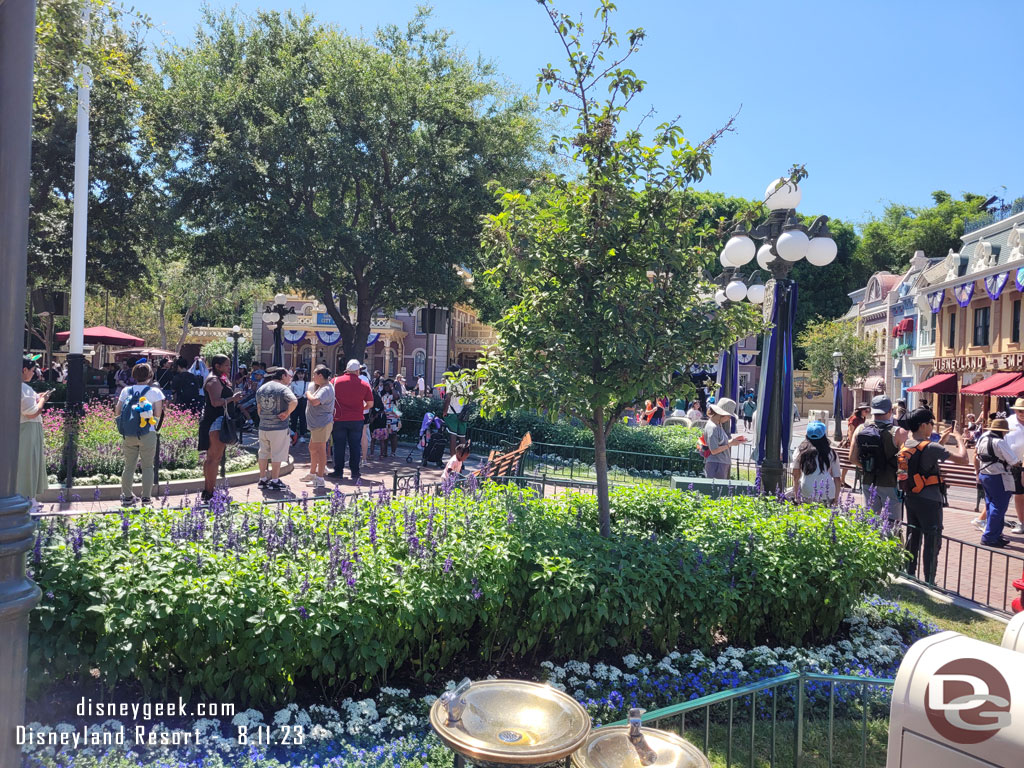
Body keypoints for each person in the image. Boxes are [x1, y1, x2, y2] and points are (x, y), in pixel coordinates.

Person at [898, 408, 969, 582]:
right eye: (931, 423)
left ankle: (909, 574)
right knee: (932, 540)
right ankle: (930, 580)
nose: (932, 427)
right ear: (923, 425)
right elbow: (963, 459)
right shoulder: (931, 447)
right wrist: (959, 439)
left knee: (913, 536)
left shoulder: (907, 443)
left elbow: (925, 457)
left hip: (911, 497)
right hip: (930, 501)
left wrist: (941, 441)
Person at [849, 395, 908, 522]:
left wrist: (868, 466)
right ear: (890, 411)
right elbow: (904, 461)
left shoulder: (861, 428)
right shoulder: (899, 432)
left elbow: (852, 458)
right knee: (891, 524)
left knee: (870, 521)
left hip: (868, 480)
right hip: (890, 482)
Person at [115, 362, 164, 506]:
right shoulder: (155, 392)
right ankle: (147, 498)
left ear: (133, 375)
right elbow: (157, 414)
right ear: (150, 375)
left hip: (129, 433)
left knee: (128, 466)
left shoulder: (126, 391)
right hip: (147, 432)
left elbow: (117, 412)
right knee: (148, 466)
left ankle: (127, 496)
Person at [198, 354, 244, 502]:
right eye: (226, 365)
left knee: (213, 458)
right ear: (217, 366)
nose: (229, 368)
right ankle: (209, 492)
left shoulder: (219, 379)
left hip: (217, 420)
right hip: (216, 422)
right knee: (214, 458)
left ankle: (209, 490)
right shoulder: (213, 380)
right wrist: (233, 398)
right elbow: (216, 402)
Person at [975, 418, 1019, 548]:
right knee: (999, 507)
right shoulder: (999, 442)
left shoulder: (983, 439)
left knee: (990, 505)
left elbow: (977, 454)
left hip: (985, 474)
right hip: (998, 476)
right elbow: (1013, 460)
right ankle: (989, 537)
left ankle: (996, 535)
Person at [329, 360, 374, 482]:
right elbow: (370, 403)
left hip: (339, 418)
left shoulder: (335, 381)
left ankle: (338, 471)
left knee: (339, 445)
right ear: (358, 371)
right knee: (355, 446)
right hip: (356, 419)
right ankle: (355, 471)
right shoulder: (364, 384)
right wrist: (360, 408)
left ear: (347, 370)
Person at [255, 367, 297, 491]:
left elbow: (258, 407)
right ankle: (274, 480)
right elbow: (294, 401)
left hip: (263, 426)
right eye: (288, 376)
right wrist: (287, 412)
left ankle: (262, 479)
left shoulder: (262, 388)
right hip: (278, 427)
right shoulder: (283, 389)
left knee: (263, 453)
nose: (289, 378)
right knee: (277, 454)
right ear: (282, 376)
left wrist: (263, 418)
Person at [19, 358, 52, 504]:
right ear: (24, 370)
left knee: (25, 463)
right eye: (32, 371)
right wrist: (42, 400)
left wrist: (37, 398)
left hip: (23, 428)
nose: (33, 374)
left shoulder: (18, 387)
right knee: (28, 463)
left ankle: (28, 498)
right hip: (28, 428)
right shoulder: (23, 388)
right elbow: (32, 412)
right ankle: (28, 500)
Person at [301, 365, 335, 489]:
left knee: (320, 450)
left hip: (322, 424)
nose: (313, 378)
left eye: (314, 375)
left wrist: (308, 393)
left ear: (320, 376)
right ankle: (312, 473)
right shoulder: (322, 387)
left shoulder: (325, 389)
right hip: (317, 424)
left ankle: (320, 478)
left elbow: (315, 401)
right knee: (312, 448)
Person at [790, 421, 840, 503]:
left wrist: (796, 496)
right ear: (824, 435)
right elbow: (837, 478)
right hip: (827, 492)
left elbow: (796, 476)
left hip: (806, 490)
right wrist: (836, 499)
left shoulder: (800, 451)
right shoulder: (831, 453)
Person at [999, 398, 1024, 535]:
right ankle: (1022, 522)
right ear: (1015, 410)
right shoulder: (1008, 422)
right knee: (1018, 495)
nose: (1023, 413)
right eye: (1020, 411)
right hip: (1012, 465)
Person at [702, 398, 745, 480]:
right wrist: (730, 444)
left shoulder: (718, 425)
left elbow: (720, 444)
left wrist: (733, 441)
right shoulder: (713, 427)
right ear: (721, 414)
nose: (729, 419)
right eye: (729, 416)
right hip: (716, 464)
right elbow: (714, 450)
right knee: (716, 490)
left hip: (719, 463)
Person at [442, 365, 471, 456]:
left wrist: (444, 411)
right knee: (462, 437)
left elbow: (447, 399)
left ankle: (453, 459)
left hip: (452, 413)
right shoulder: (465, 382)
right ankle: (462, 459)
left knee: (453, 436)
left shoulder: (451, 382)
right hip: (463, 413)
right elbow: (468, 398)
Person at [289, 368, 309, 440]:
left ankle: (302, 435)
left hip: (303, 401)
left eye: (302, 374)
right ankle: (293, 434)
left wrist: (302, 396)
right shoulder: (293, 383)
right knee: (293, 418)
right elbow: (290, 391)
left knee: (302, 418)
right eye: (299, 374)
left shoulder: (307, 383)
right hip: (295, 401)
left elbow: (307, 392)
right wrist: (294, 396)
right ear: (296, 374)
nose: (301, 375)